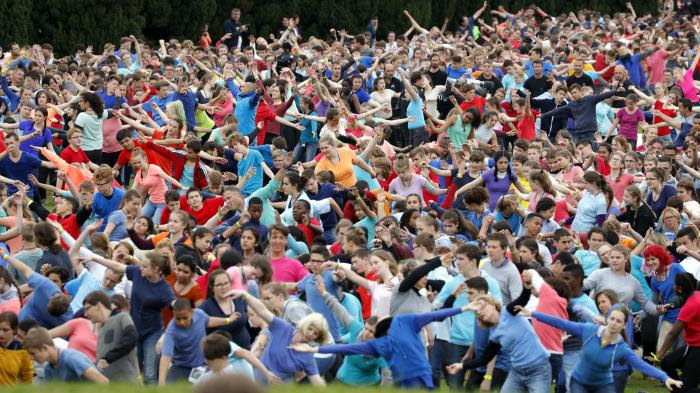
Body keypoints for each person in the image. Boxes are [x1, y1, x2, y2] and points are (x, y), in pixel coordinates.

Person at [519, 304, 682, 392]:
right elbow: (562, 323)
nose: (614, 323)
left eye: (619, 321)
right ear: (607, 319)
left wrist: (665, 377)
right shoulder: (589, 330)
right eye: (612, 319)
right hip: (579, 382)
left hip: (603, 385)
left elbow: (642, 365)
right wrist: (533, 314)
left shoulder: (622, 348)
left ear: (624, 325)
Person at [229, 289, 328, 386]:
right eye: (310, 328)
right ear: (305, 324)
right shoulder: (283, 328)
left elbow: (317, 381)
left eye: (315, 333)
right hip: (257, 382)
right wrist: (245, 295)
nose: (311, 334)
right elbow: (262, 310)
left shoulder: (307, 355)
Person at [82, 291, 139, 382]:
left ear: (98, 306)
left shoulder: (122, 317)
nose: (85, 314)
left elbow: (131, 337)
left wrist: (108, 358)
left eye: (87, 308)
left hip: (125, 382)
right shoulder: (101, 327)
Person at [22, 327, 108, 383]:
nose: (31, 358)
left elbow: (103, 382)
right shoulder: (48, 370)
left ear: (45, 348)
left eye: (33, 353)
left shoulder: (70, 357)